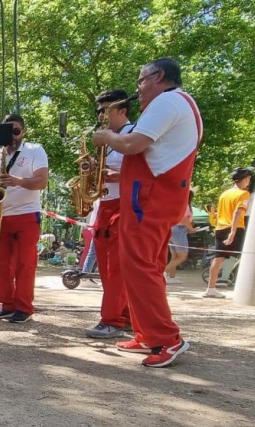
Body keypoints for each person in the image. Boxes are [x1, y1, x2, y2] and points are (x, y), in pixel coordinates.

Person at [92, 57, 202, 368]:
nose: (138, 88)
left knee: (138, 264)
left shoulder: (167, 102)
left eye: (141, 80)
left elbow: (133, 143)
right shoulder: (178, 103)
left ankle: (167, 339)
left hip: (150, 196)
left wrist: (106, 138)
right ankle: (147, 333)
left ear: (160, 77)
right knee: (144, 265)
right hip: (153, 194)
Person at [0, 113, 50, 324]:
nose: (12, 134)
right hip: (2, 215)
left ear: (24, 132)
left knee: (25, 263)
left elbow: (41, 181)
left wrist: (16, 181)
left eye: (17, 130)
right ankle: (7, 304)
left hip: (27, 213)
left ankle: (24, 307)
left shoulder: (35, 150)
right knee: (0, 264)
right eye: (8, 130)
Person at [85, 90, 135, 339]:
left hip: (123, 204)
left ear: (122, 111)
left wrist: (108, 175)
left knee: (115, 266)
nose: (100, 116)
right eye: (99, 111)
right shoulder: (110, 140)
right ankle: (123, 316)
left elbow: (139, 170)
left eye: (105, 110)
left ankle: (112, 320)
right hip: (105, 204)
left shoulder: (132, 135)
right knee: (105, 266)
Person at [204, 167, 252, 298]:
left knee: (218, 258)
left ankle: (211, 288)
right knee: (248, 254)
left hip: (220, 227)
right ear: (246, 178)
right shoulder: (244, 194)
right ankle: (245, 285)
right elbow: (238, 212)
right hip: (234, 227)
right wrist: (233, 232)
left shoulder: (225, 194)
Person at [165, 191, 195, 284]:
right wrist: (192, 229)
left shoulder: (175, 202)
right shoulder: (184, 204)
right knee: (182, 256)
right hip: (179, 230)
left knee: (174, 255)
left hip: (172, 229)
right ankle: (163, 271)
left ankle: (171, 277)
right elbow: (183, 218)